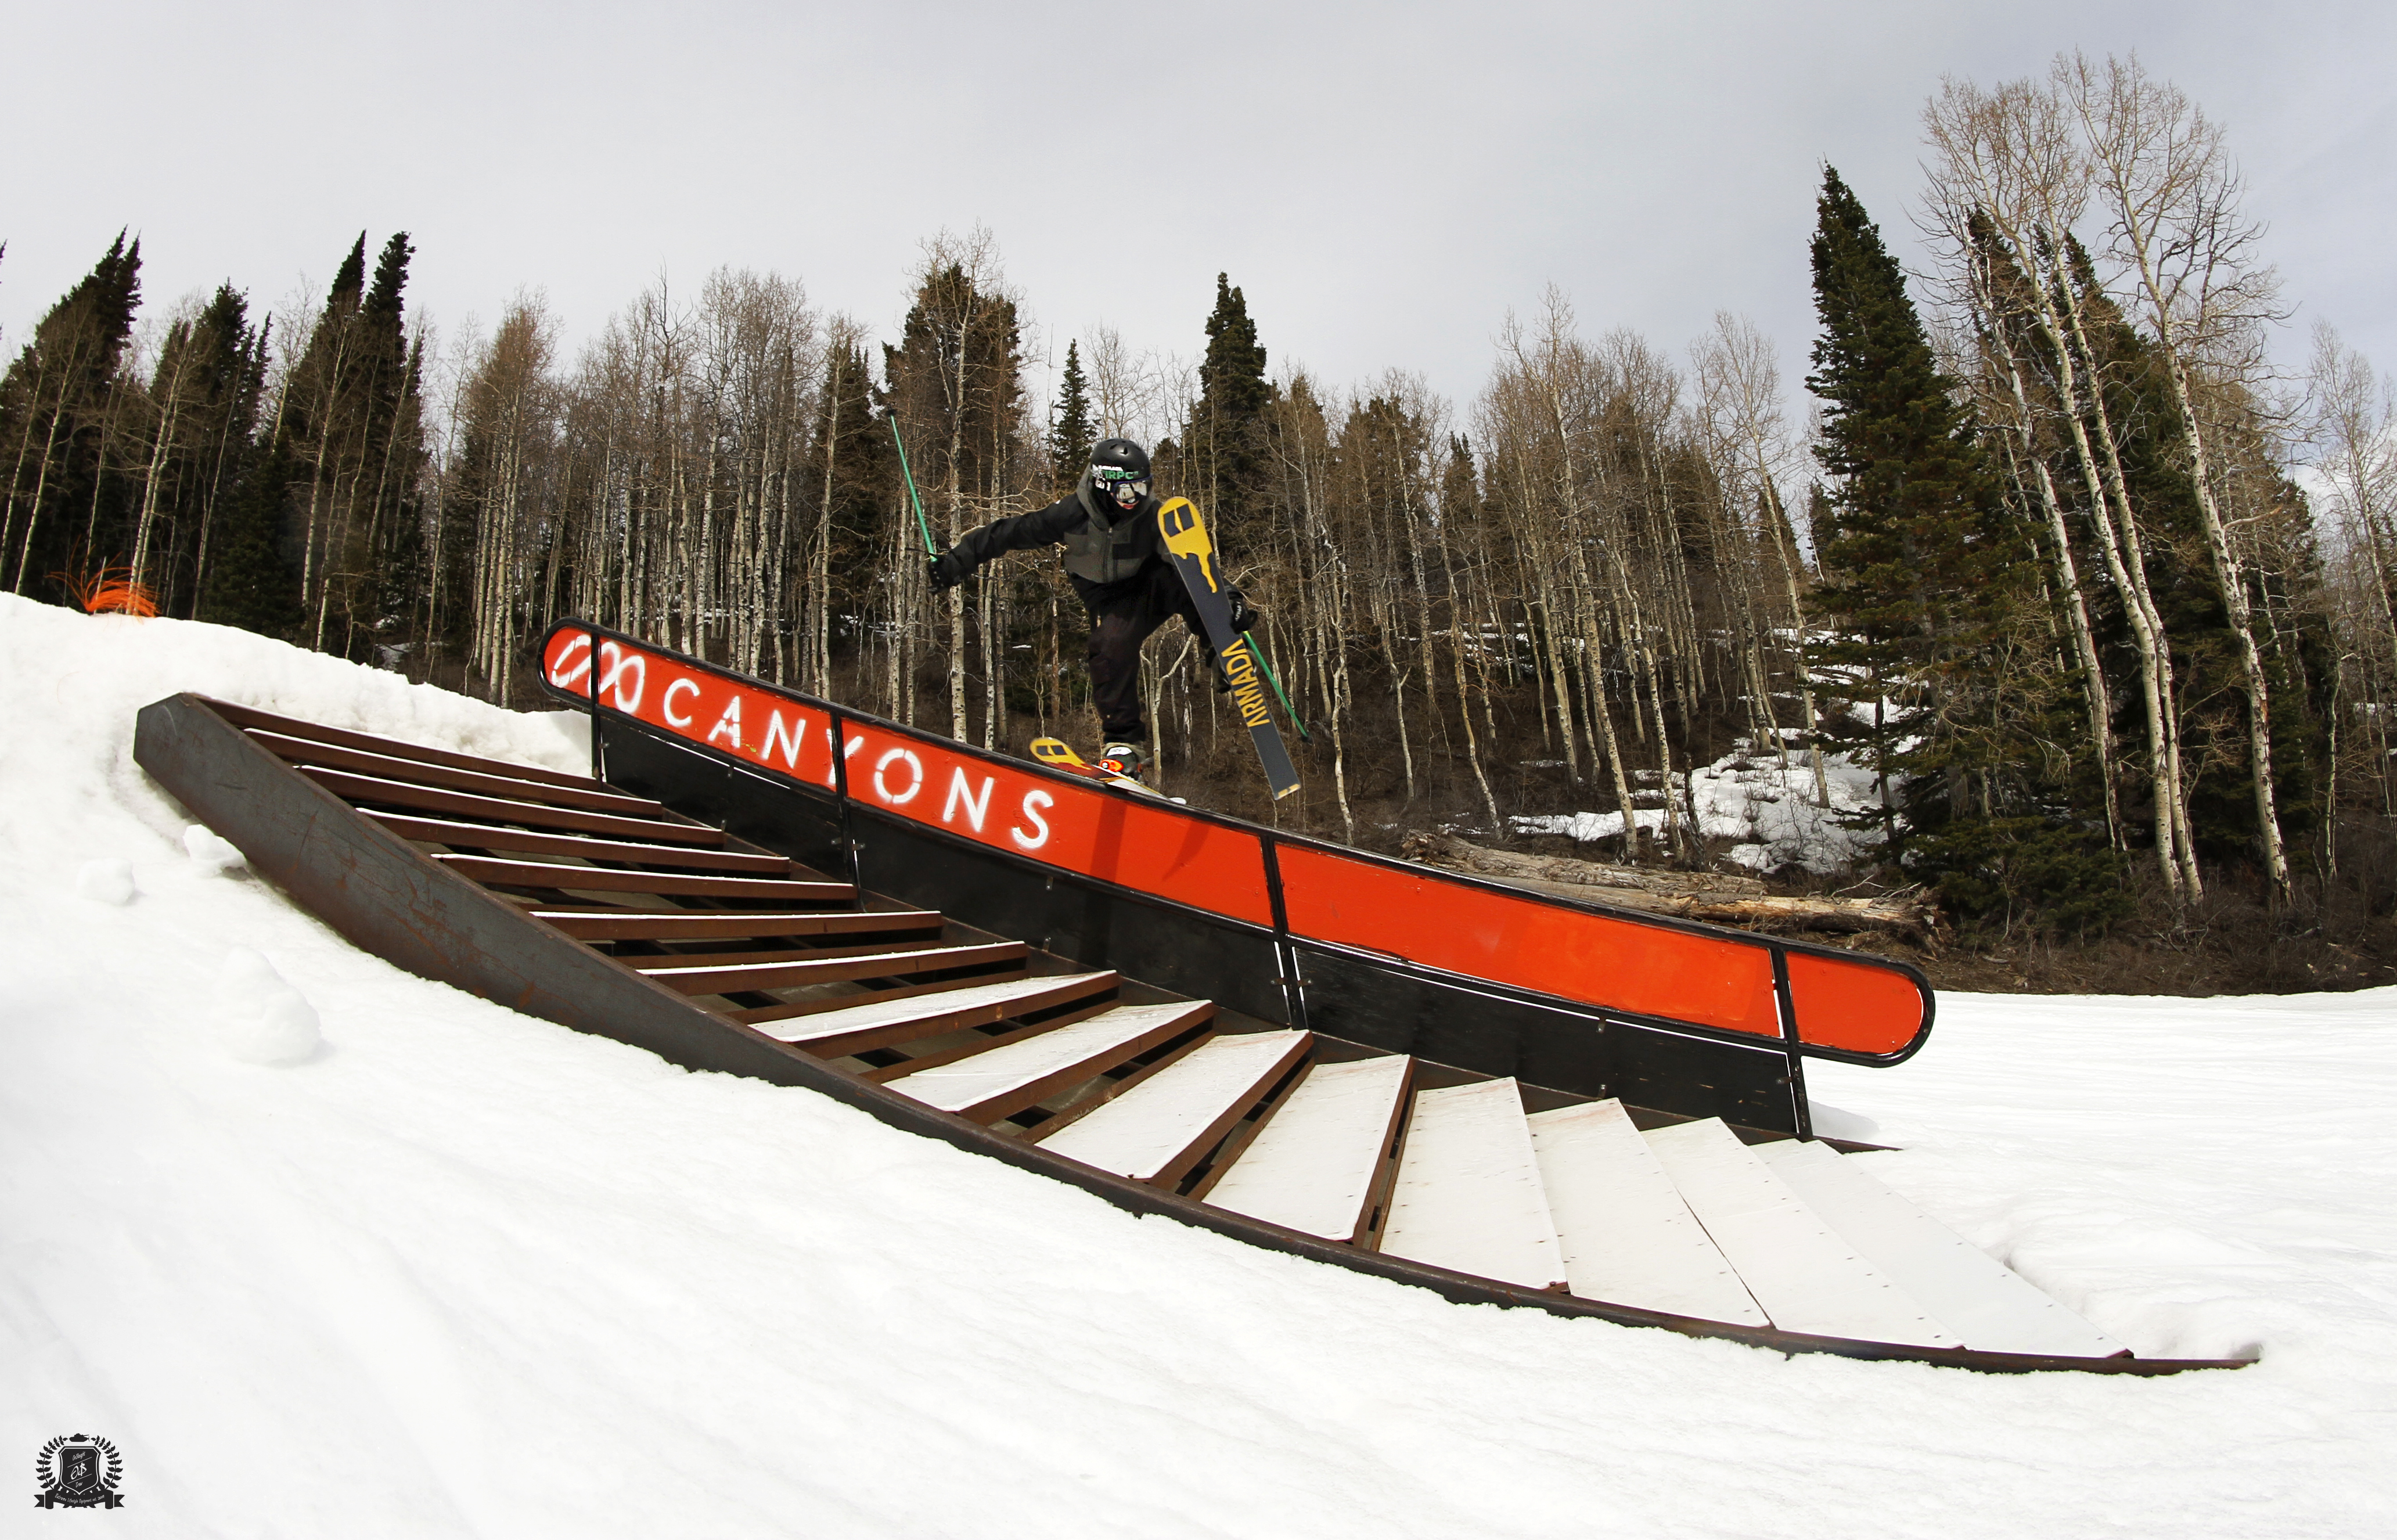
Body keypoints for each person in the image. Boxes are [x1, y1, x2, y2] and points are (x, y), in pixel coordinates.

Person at [927, 437, 1254, 782]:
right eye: (1127, 493)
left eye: (1143, 488)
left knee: (1179, 576)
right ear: (1103, 487)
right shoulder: (1071, 514)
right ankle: (1124, 746)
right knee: (1109, 649)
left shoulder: (1154, 517)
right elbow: (1006, 533)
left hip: (1153, 585)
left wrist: (1229, 601)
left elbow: (1197, 563)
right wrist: (954, 564)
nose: (1136, 500)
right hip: (1113, 602)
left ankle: (1222, 648)